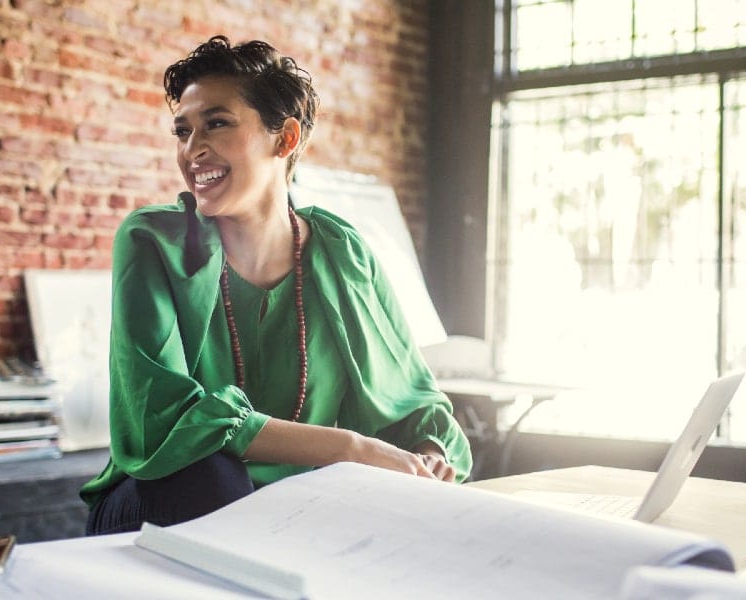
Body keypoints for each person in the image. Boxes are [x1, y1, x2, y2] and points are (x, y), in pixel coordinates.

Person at [80, 35, 473, 535]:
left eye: (216, 124)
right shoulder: (152, 241)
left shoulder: (342, 253)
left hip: (295, 512)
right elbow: (164, 416)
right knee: (212, 472)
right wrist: (349, 447)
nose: (192, 150)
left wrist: (427, 455)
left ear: (284, 139)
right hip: (162, 499)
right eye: (183, 131)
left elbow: (414, 401)